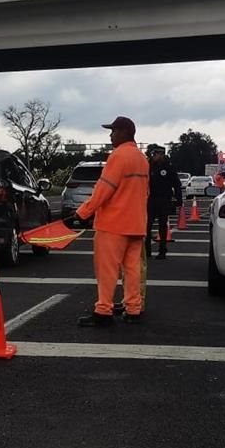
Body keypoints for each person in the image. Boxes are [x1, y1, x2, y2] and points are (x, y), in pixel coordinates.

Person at [73, 116, 149, 327]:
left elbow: (104, 189)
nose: (110, 135)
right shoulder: (141, 159)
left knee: (107, 270)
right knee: (131, 268)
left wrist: (83, 212)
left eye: (113, 131)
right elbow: (145, 192)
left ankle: (103, 310)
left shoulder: (118, 156)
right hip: (136, 224)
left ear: (124, 132)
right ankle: (133, 308)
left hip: (113, 224)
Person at [146, 146, 182, 260]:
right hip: (150, 199)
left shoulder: (168, 167)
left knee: (163, 226)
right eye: (156, 154)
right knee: (147, 226)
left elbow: (176, 184)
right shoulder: (148, 166)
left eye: (160, 154)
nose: (158, 156)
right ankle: (147, 250)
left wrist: (178, 199)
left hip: (164, 199)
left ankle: (162, 250)